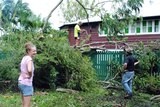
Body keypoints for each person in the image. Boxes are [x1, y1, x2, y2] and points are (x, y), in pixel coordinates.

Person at [18, 42, 37, 107]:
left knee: (25, 104)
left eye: (35, 51)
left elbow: (21, 67)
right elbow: (29, 69)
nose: (35, 52)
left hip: (21, 83)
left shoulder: (24, 58)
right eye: (33, 51)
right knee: (26, 105)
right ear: (28, 51)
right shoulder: (29, 59)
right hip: (26, 84)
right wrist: (30, 75)